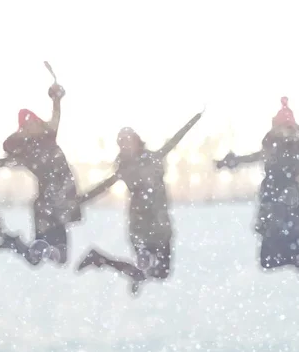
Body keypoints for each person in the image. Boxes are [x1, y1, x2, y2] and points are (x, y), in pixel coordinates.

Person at [215, 97, 299, 283]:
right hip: (278, 200)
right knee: (271, 258)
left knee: (274, 255)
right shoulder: (278, 148)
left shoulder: (289, 149)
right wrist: (229, 162)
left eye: (287, 127)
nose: (285, 131)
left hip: (284, 202)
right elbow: (248, 158)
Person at [75, 111, 203, 295]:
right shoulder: (125, 167)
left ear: (137, 140)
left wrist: (195, 118)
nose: (126, 145)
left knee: (161, 273)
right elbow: (103, 186)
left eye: (128, 141)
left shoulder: (153, 157)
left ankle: (102, 260)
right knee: (151, 269)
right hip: (142, 226)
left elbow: (175, 139)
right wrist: (80, 200)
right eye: (122, 143)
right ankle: (133, 267)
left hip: (161, 224)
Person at [0, 83, 80, 266]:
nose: (32, 125)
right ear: (23, 129)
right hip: (49, 202)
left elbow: (56, 115)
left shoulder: (49, 135)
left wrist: (56, 97)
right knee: (47, 256)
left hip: (58, 198)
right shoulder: (26, 152)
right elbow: (3, 163)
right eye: (27, 124)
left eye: (33, 120)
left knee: (51, 257)